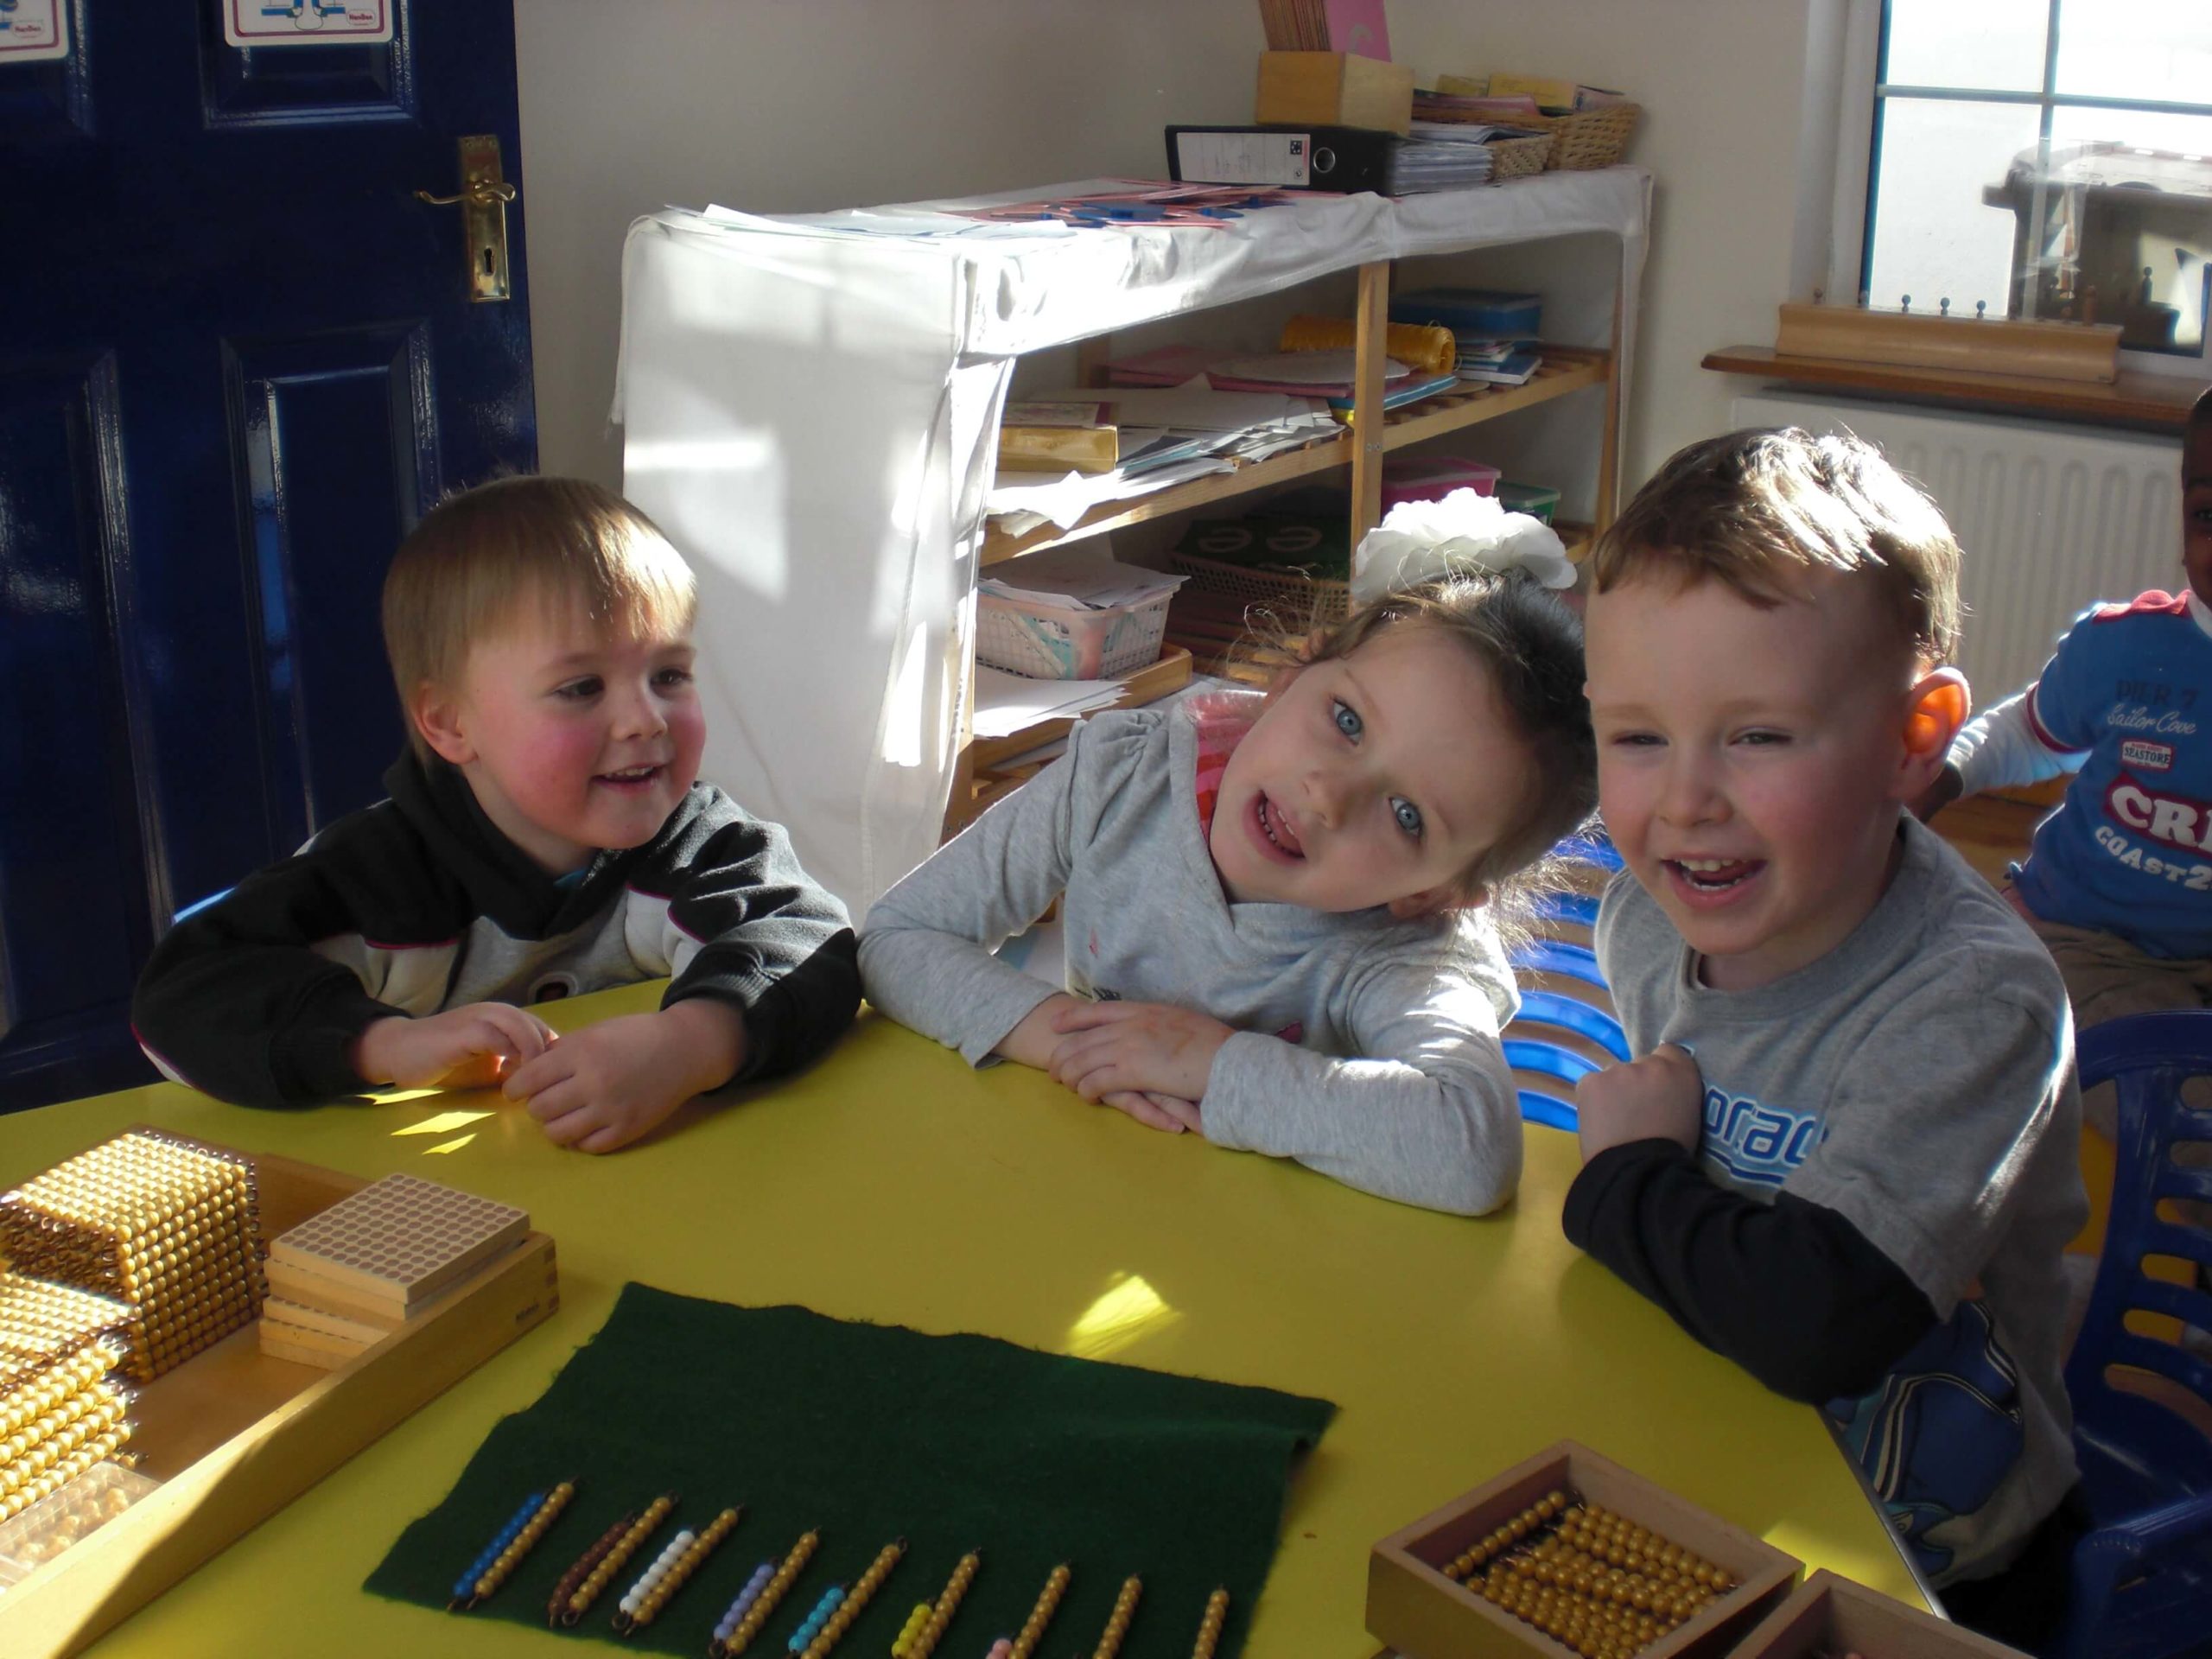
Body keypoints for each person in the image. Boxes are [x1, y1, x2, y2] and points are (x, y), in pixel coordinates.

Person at [1567, 429, 2088, 1646]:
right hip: (1720, 1474)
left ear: (1916, 738)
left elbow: (1824, 1321)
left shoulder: (1973, 1002)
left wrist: (1625, 1174)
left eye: (1757, 735)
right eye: (1637, 737)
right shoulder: (1645, 918)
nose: (1685, 800)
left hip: (1938, 1560)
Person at [132, 476, 861, 1153]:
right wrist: (383, 1045)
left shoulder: (703, 843)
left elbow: (817, 944)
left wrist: (692, 1046)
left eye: (669, 675)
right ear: (450, 724)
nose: (645, 719)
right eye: (581, 687)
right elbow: (181, 996)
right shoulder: (373, 874)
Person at [860, 553, 1598, 1217]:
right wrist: (1068, 1042)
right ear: (1290, 679)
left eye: (1408, 816)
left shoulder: (1404, 955)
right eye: (1347, 720)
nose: (1327, 796)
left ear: (1436, 895)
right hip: (1083, 1195)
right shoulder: (1122, 778)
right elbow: (896, 937)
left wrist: (1210, 1065)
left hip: (1261, 1262)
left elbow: (1472, 1151)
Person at [1917, 386, 2212, 1116]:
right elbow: (2030, 732)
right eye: (2209, 515)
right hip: (2090, 940)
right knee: (2174, 1110)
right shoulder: (2125, 649)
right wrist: (1944, 775)